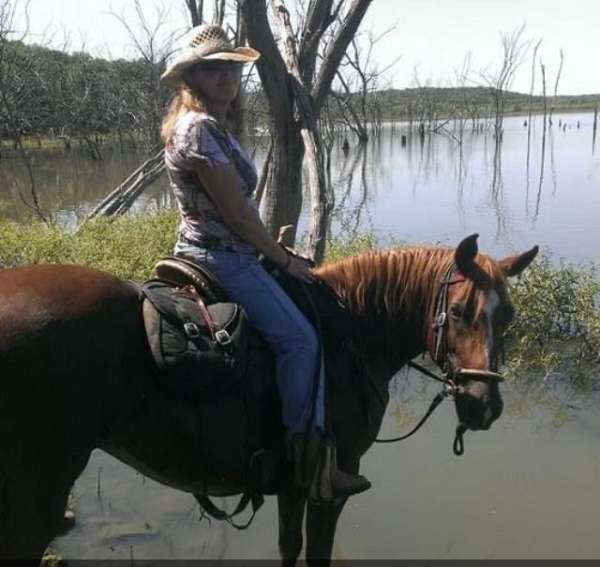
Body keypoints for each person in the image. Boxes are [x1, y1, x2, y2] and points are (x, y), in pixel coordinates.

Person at [160, 24, 370, 500]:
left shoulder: (209, 125)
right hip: (221, 257)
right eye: (213, 70)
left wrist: (265, 245)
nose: (226, 78)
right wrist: (282, 258)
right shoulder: (199, 129)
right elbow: (235, 214)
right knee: (301, 340)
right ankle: (309, 463)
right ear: (191, 78)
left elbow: (233, 211)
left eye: (232, 68)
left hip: (222, 248)